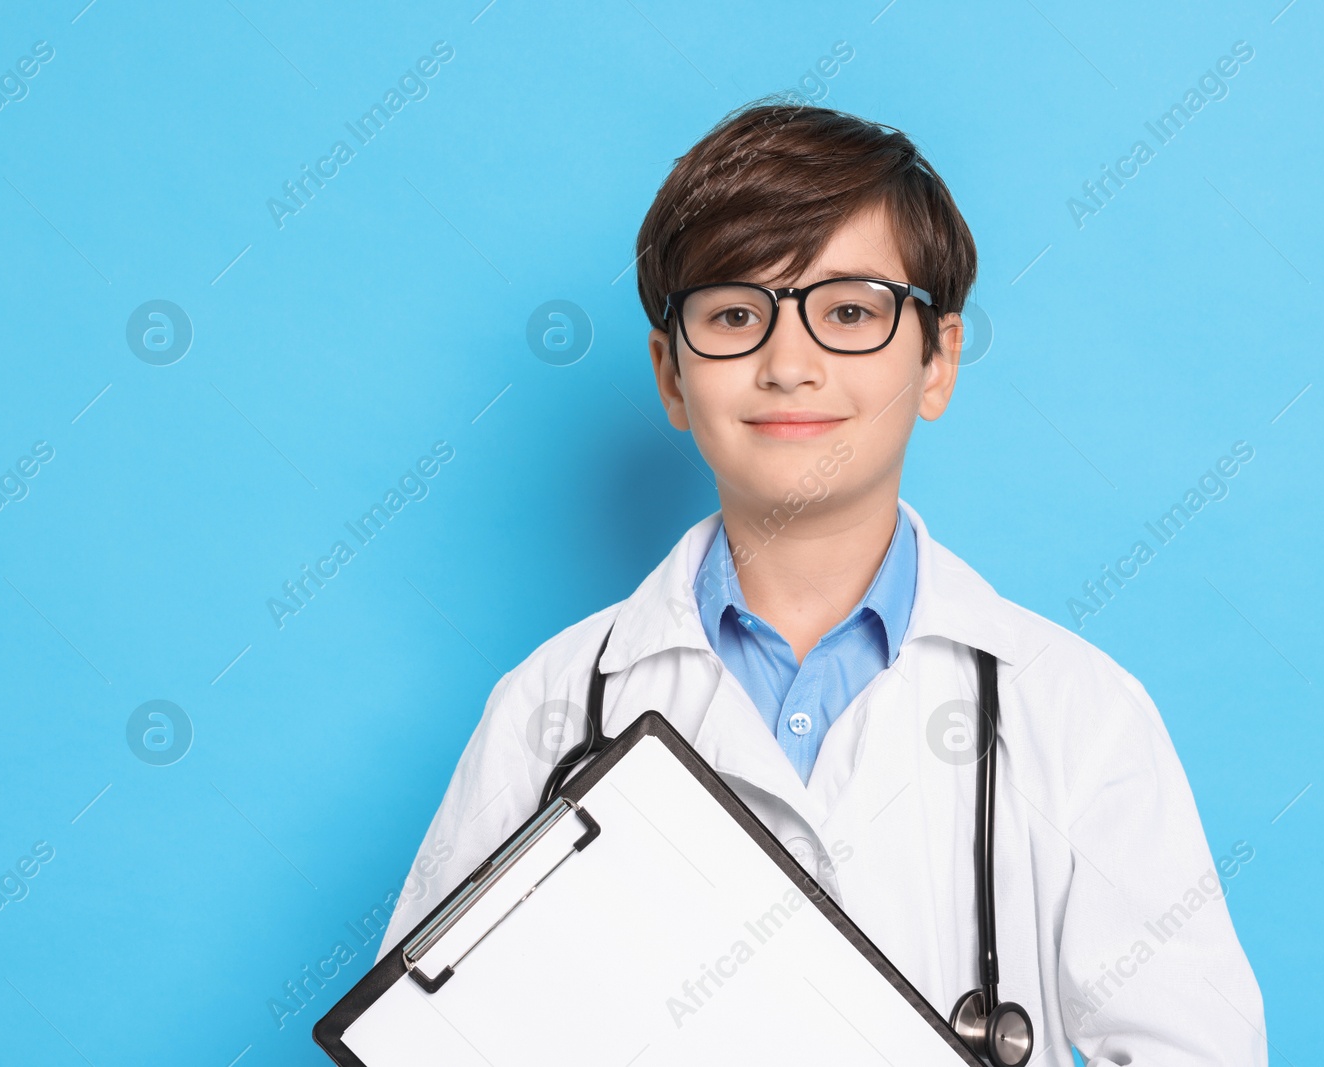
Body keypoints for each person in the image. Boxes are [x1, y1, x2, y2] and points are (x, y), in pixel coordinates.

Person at [376, 99, 1266, 1065]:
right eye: (732, 314)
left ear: (938, 359)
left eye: (848, 310)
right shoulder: (551, 708)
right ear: (672, 376)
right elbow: (427, 1040)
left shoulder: (1076, 710)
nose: (789, 362)